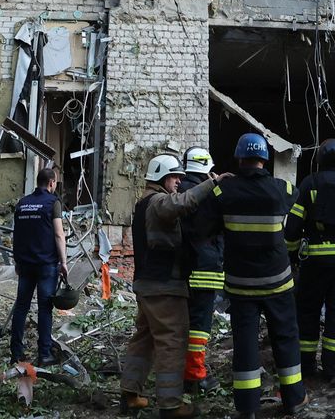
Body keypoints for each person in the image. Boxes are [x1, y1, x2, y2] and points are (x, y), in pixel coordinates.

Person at [200, 134, 304, 419]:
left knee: (245, 343)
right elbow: (296, 207)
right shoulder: (281, 188)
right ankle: (294, 400)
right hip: (277, 281)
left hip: (241, 283)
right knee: (285, 337)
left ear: (239, 158)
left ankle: (247, 408)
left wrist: (219, 183)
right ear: (264, 160)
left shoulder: (224, 192)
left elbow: (203, 227)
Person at [121, 153, 221, 419]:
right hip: (163, 285)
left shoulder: (143, 202)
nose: (179, 181)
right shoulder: (158, 202)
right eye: (175, 177)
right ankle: (170, 404)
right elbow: (182, 203)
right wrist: (212, 184)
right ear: (162, 178)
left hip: (147, 284)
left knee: (144, 338)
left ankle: (130, 393)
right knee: (172, 342)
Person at [284, 138, 335, 382]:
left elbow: (292, 228)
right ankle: (333, 370)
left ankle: (306, 367)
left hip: (314, 263)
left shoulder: (309, 184)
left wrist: (291, 256)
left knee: (307, 312)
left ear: (319, 159)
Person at [10, 165, 69, 366]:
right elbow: (59, 234)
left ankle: (16, 354)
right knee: (44, 308)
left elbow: (16, 234)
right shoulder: (53, 202)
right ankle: (44, 354)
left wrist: (16, 260)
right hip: (46, 265)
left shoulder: (22, 204)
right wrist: (64, 262)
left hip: (25, 264)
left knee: (21, 308)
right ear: (51, 183)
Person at [180, 146, 224, 392]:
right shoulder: (212, 194)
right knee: (199, 326)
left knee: (183, 323)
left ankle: (182, 370)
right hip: (205, 268)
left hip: (181, 269)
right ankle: (195, 377)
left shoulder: (178, 190)